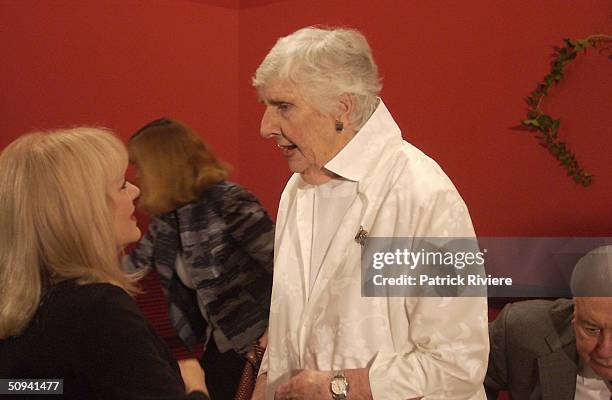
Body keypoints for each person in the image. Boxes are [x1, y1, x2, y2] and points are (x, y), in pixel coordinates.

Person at [252, 27, 489, 399]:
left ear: (341, 109)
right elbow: (291, 329)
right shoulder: (296, 191)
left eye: (283, 106)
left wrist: (340, 387)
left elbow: (459, 364)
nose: (266, 127)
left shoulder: (424, 195)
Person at [0, 127, 209, 399]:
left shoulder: (21, 303)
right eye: (121, 185)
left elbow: (24, 388)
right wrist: (195, 387)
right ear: (86, 210)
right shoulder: (99, 311)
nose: (134, 191)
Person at [122, 118, 274, 400]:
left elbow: (282, 264)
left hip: (258, 342)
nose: (137, 177)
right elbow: (131, 269)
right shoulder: (168, 217)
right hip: (218, 342)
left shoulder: (228, 201)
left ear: (162, 165)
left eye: (140, 167)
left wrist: (278, 329)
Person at [485, 245, 612, 400]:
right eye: (592, 329)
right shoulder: (522, 330)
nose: (605, 351)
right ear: (575, 313)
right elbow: (459, 382)